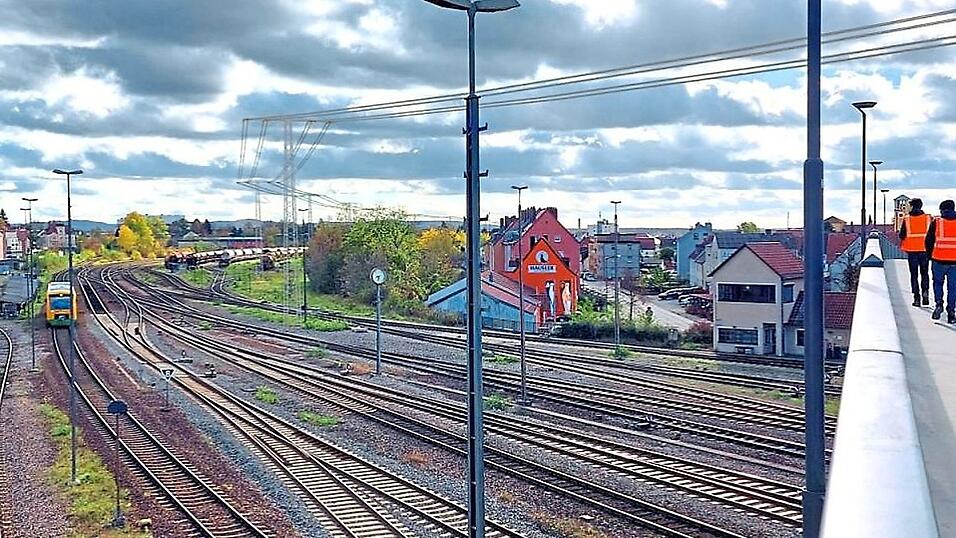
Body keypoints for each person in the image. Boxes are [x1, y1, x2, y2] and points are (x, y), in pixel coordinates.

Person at [925, 199, 956, 324]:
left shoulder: (936, 222)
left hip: (938, 259)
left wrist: (930, 256)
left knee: (938, 283)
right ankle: (951, 312)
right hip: (954, 261)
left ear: (942, 210)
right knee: (953, 287)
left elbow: (928, 241)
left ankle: (939, 305)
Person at [899, 198, 931, 307]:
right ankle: (925, 293)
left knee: (914, 275)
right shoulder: (928, 218)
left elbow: (902, 235)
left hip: (912, 251)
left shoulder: (907, 219)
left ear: (912, 206)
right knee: (924, 273)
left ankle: (916, 298)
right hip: (925, 250)